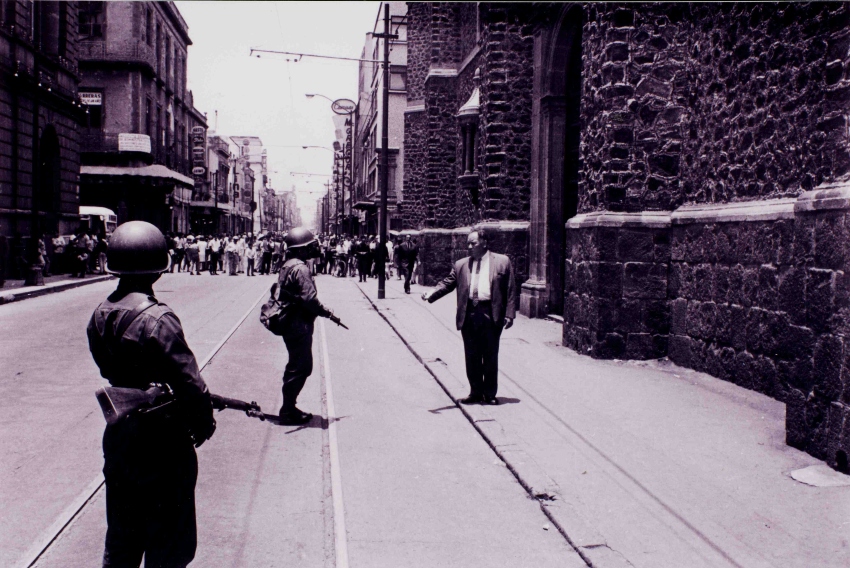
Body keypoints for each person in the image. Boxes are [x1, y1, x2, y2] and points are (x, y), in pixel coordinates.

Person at [87, 220, 216, 568]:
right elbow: (190, 383)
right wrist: (203, 423)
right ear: (159, 267)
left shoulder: (99, 314)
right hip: (163, 443)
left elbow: (107, 369)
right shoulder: (159, 318)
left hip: (120, 437)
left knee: (122, 539)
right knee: (169, 544)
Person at [421, 226, 515, 405]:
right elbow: (447, 283)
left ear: (484, 243)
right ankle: (475, 392)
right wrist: (431, 293)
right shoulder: (461, 264)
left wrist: (510, 314)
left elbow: (510, 288)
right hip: (469, 313)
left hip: (490, 313)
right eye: (468, 244)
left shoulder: (502, 262)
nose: (469, 247)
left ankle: (490, 394)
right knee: (471, 355)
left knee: (490, 355)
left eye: (473, 243)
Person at [275, 227, 340, 425]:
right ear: (301, 249)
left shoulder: (288, 265)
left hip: (291, 322)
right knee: (301, 367)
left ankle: (289, 407)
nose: (312, 249)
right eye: (309, 246)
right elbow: (309, 299)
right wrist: (327, 312)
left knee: (296, 366)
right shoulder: (301, 269)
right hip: (298, 324)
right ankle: (288, 410)